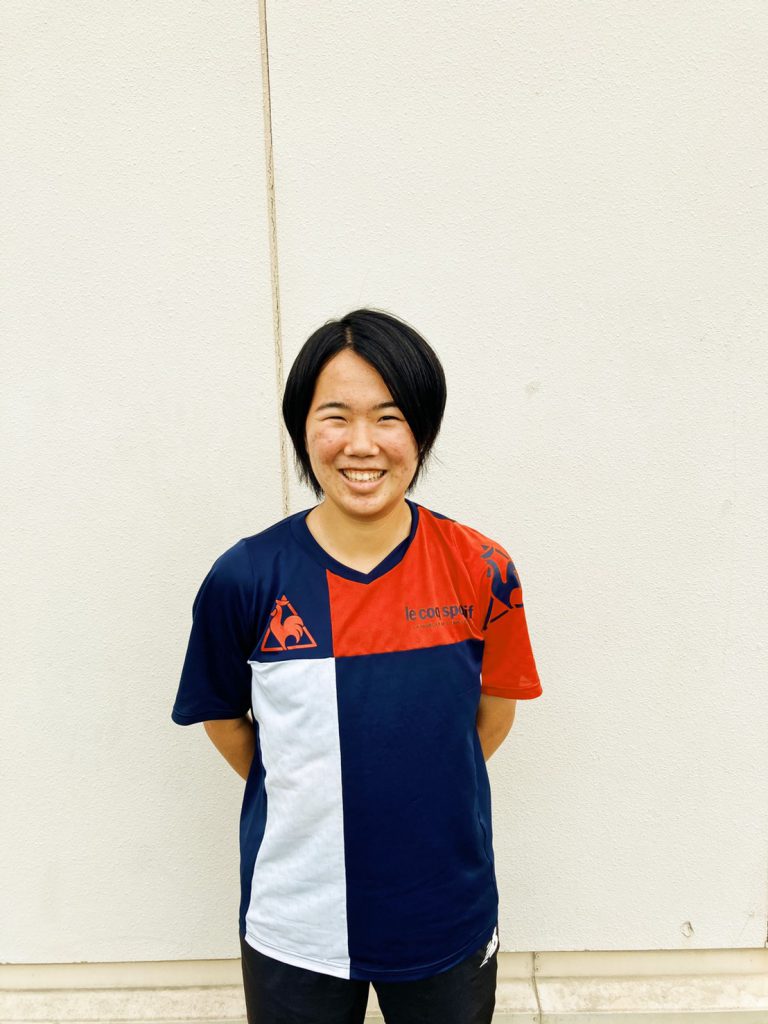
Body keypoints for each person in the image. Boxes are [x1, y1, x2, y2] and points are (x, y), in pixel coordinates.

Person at [172, 308, 543, 1023]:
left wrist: (409, 789)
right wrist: (317, 789)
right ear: (302, 429)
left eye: (389, 417)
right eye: (336, 417)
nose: (361, 444)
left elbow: (492, 718)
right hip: (294, 922)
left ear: (422, 433)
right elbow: (223, 719)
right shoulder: (244, 578)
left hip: (444, 910)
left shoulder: (482, 568)